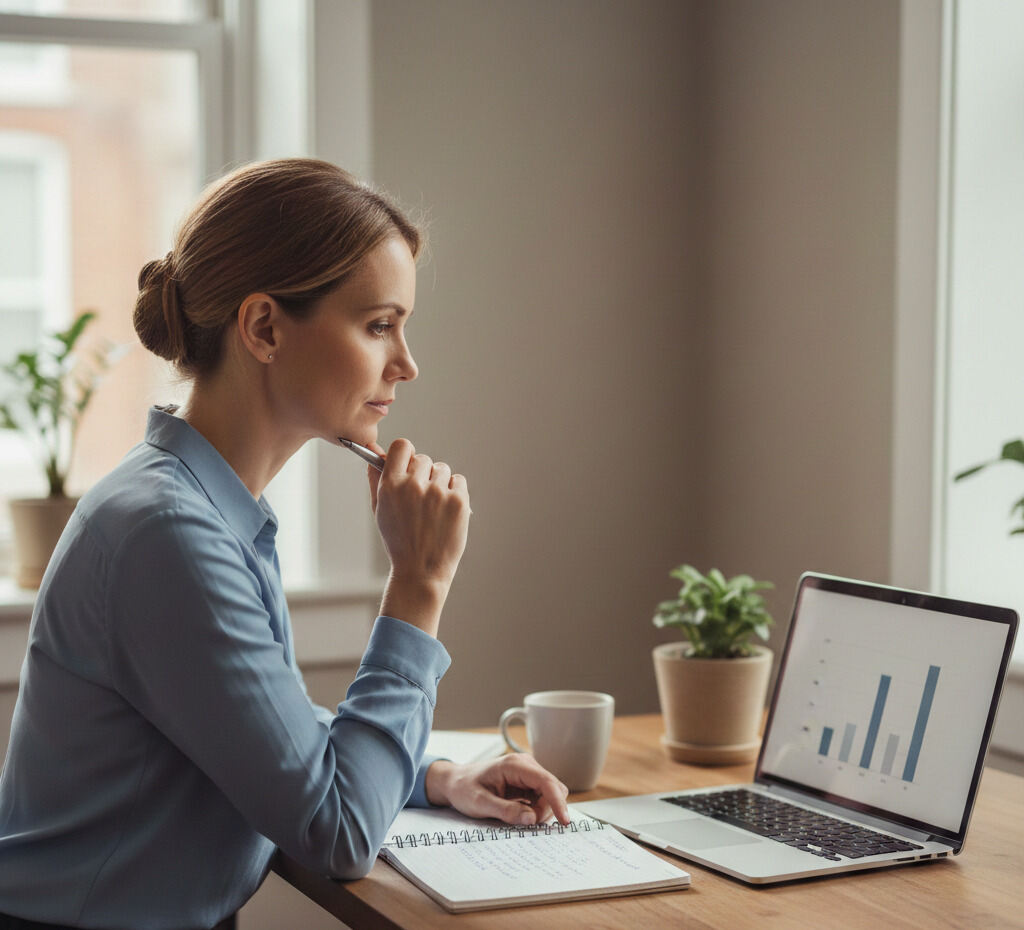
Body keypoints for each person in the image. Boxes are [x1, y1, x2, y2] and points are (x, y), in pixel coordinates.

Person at [0, 158, 569, 930]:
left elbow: (277, 743)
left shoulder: (202, 508)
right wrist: (418, 588)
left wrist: (436, 777)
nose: (406, 363)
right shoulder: (168, 534)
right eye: (379, 325)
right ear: (264, 327)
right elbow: (337, 832)